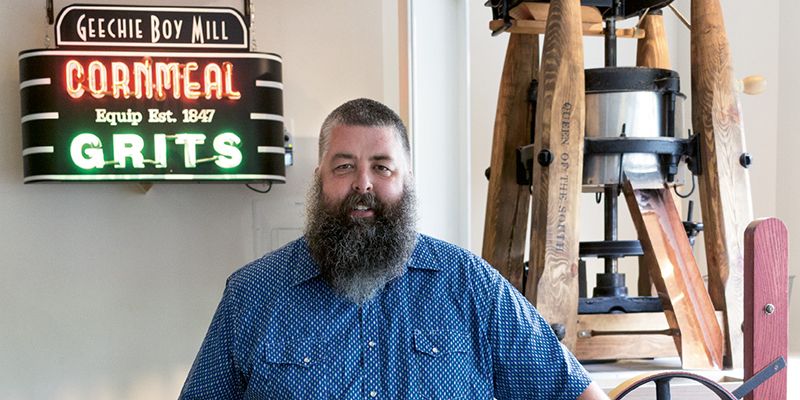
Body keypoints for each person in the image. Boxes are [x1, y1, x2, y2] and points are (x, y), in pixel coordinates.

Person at [180, 98, 609, 399]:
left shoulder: (471, 285)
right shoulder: (252, 293)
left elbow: (573, 393)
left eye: (382, 167)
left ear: (407, 180)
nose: (363, 184)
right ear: (319, 180)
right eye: (344, 166)